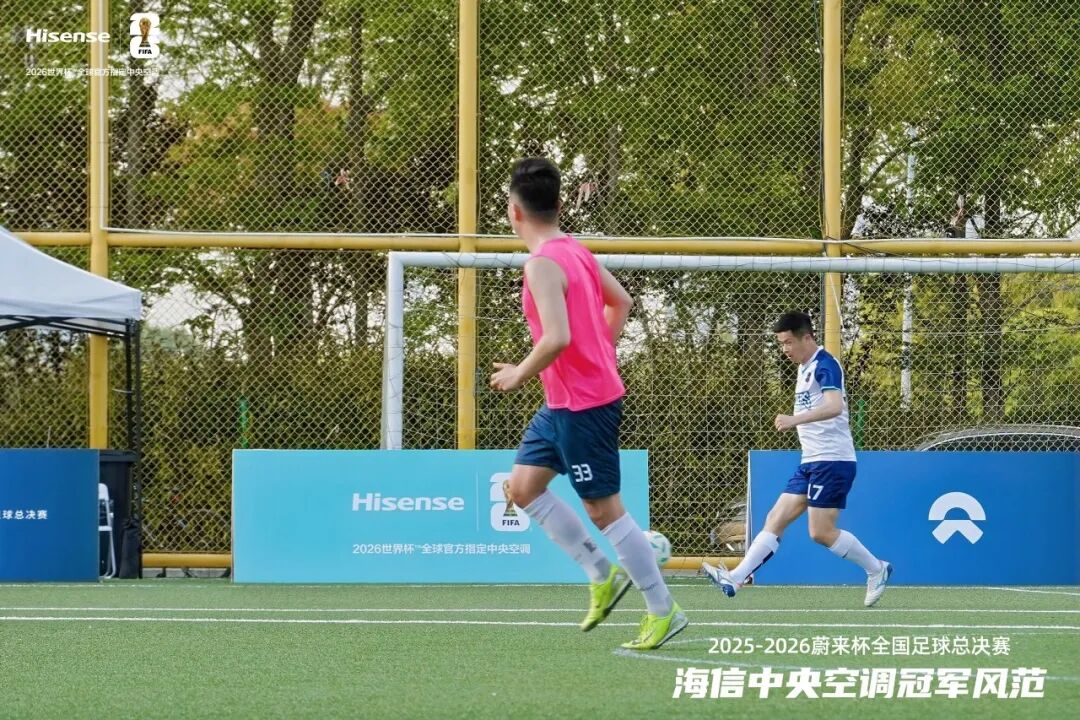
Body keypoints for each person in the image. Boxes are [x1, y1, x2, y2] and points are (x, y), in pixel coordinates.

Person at [490, 157, 688, 650]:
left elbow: (556, 337)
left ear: (515, 212)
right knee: (523, 488)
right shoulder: (575, 251)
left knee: (604, 512)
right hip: (561, 403)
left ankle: (663, 609)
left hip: (584, 406)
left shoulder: (542, 264)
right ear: (558, 206)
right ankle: (602, 573)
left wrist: (518, 372)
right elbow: (621, 302)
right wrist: (598, 354)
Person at [702, 311, 893, 606]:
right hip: (811, 461)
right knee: (775, 518)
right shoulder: (804, 367)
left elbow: (834, 406)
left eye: (788, 342)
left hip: (832, 460)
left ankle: (876, 568)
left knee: (820, 532)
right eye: (781, 344)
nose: (785, 349)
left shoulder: (825, 364)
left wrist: (794, 419)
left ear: (807, 338)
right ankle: (735, 578)